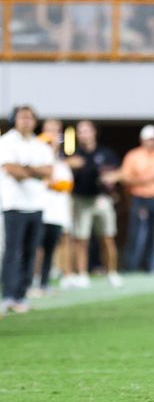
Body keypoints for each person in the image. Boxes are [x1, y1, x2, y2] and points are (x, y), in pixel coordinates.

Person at [0, 106, 53, 314]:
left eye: (30, 118)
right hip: (14, 204)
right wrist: (34, 171)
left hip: (36, 204)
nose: (27, 121)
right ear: (15, 120)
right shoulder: (6, 142)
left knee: (31, 251)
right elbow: (12, 170)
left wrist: (26, 168)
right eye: (23, 117)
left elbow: (49, 171)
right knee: (13, 251)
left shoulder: (41, 145)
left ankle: (21, 294)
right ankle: (9, 295)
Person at [67, 120, 123, 288]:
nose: (83, 134)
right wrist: (70, 165)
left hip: (101, 199)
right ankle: (82, 273)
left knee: (107, 237)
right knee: (81, 238)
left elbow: (118, 171)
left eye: (86, 130)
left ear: (94, 132)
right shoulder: (74, 154)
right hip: (80, 199)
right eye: (80, 131)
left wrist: (112, 178)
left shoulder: (105, 153)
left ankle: (112, 272)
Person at [118, 124, 154, 273]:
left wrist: (153, 178)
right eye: (149, 139)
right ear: (142, 140)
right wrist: (147, 179)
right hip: (139, 197)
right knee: (137, 233)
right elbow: (126, 178)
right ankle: (132, 266)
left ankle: (153, 266)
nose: (152, 142)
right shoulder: (133, 156)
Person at [36, 119, 73, 294]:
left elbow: (65, 185)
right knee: (36, 248)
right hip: (37, 209)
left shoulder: (61, 162)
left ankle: (45, 282)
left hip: (56, 211)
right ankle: (30, 281)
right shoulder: (36, 154)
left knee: (51, 247)